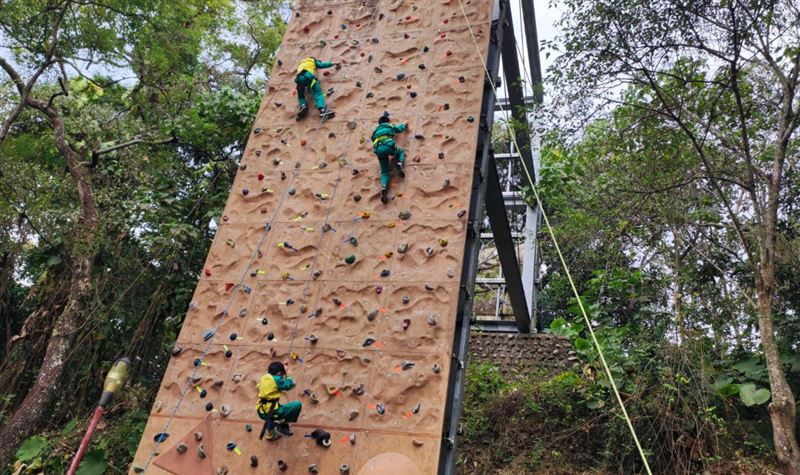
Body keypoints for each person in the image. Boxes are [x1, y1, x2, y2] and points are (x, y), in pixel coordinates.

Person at [256, 361, 302, 438]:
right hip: (270, 412)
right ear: (279, 373)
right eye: (281, 375)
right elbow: (289, 385)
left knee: (270, 416)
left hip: (261, 409)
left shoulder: (265, 377)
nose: (281, 377)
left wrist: (281, 367)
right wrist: (287, 374)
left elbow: (276, 378)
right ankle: (283, 426)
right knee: (297, 405)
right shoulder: (277, 380)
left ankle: (270, 432)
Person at [371, 112, 408, 203]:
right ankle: (399, 163)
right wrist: (405, 124)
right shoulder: (389, 126)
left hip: (378, 150)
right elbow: (399, 129)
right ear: (388, 121)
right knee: (400, 151)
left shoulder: (375, 132)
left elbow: (373, 139)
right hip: (388, 145)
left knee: (384, 171)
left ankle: (384, 187)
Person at [295, 56, 337, 121]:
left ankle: (303, 105)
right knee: (318, 93)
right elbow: (322, 65)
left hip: (299, 79)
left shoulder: (303, 63)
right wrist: (333, 63)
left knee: (301, 96)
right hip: (308, 77)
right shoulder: (312, 62)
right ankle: (322, 110)